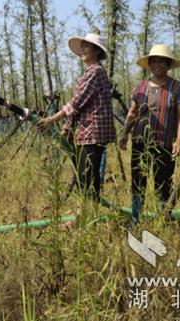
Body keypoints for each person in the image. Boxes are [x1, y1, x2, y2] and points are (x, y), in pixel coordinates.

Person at [38, 33, 116, 204]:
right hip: (86, 133)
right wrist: (67, 128)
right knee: (85, 177)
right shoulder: (89, 73)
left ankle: (84, 218)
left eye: (86, 46)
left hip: (93, 133)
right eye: (82, 46)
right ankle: (85, 216)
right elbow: (79, 107)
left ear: (96, 50)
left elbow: (77, 102)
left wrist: (53, 119)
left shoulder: (95, 72)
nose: (83, 50)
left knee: (87, 178)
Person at [119, 44, 180, 224]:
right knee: (138, 181)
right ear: (149, 64)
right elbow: (132, 112)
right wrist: (124, 133)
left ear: (168, 65)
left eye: (161, 62)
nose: (157, 65)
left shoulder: (178, 88)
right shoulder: (140, 88)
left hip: (165, 143)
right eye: (154, 61)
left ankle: (163, 219)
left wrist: (178, 141)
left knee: (163, 182)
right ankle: (136, 218)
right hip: (140, 142)